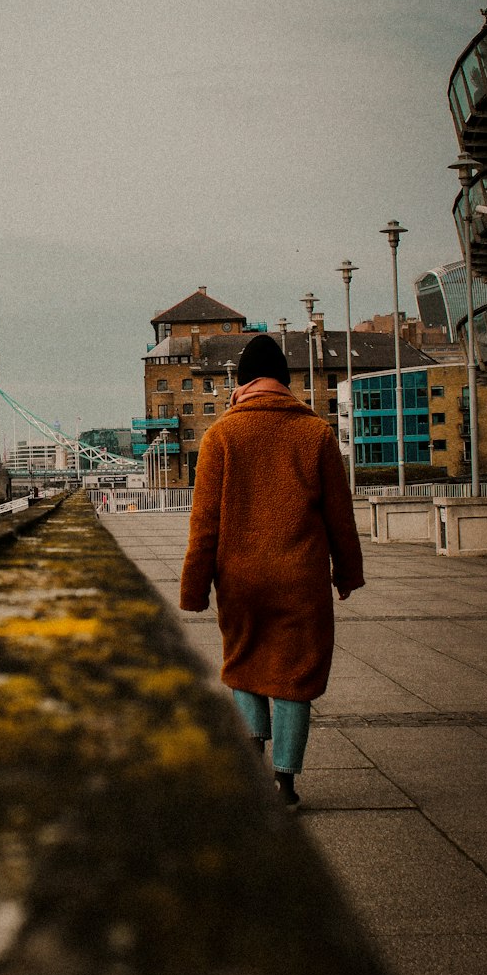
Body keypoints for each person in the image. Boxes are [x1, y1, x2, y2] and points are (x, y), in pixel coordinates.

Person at [179, 333, 364, 808]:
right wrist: (347, 574)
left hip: (240, 578)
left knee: (243, 664)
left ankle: (250, 760)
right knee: (295, 676)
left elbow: (204, 524)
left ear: (241, 384)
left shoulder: (221, 435)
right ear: (285, 383)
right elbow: (339, 517)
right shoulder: (316, 433)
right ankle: (284, 783)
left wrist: (195, 589)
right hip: (300, 578)